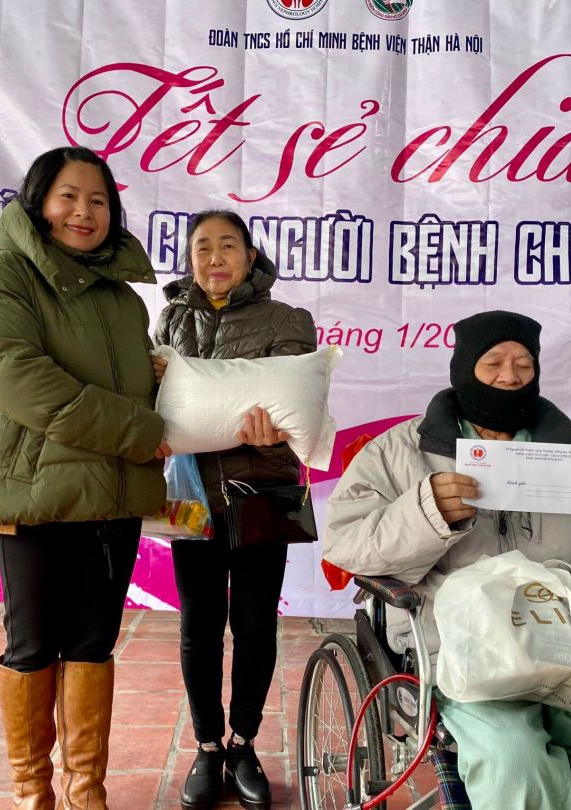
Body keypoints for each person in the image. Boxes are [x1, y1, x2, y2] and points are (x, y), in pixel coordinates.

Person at [323, 310, 571, 809]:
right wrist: (426, 513)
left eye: (524, 364)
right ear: (464, 368)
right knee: (514, 763)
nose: (510, 377)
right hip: (461, 655)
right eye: (494, 363)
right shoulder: (397, 452)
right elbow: (347, 543)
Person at [0, 146, 170, 810]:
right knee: (34, 644)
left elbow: (129, 385)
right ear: (38, 201)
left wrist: (169, 383)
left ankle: (86, 793)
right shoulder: (1, 278)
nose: (84, 212)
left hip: (111, 493)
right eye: (68, 196)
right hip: (31, 493)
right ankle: (33, 795)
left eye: (98, 200)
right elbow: (18, 379)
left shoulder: (122, 299)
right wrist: (140, 431)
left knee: (93, 644)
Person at [153, 210, 316, 810]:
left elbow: (293, 402)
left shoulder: (286, 320)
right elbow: (156, 398)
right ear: (190, 258)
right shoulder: (170, 321)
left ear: (250, 257)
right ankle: (206, 746)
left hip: (262, 491)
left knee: (253, 625)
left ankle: (243, 743)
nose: (215, 257)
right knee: (198, 625)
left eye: (228, 245)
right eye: (202, 247)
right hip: (186, 493)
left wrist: (270, 431)